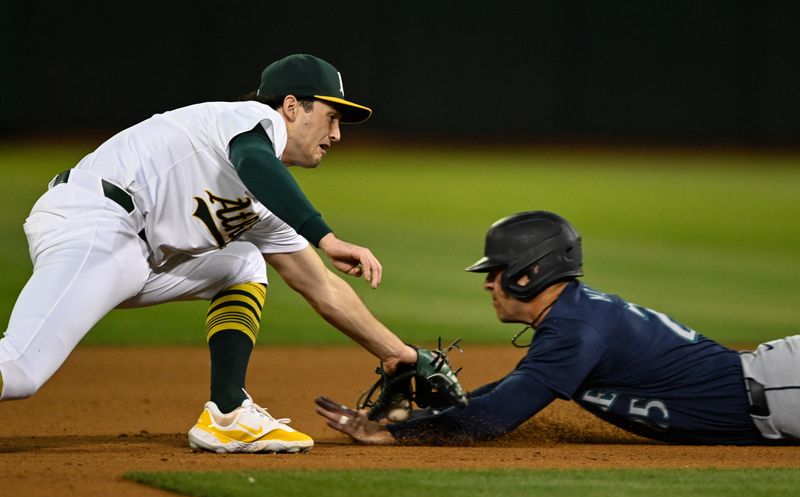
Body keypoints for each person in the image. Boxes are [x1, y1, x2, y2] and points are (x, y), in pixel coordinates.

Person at [0, 54, 456, 454]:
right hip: (95, 223)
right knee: (19, 371)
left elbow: (321, 287)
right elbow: (256, 160)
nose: (337, 134)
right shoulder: (246, 120)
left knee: (241, 263)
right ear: (292, 107)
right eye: (332, 117)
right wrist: (325, 236)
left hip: (130, 253)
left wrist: (399, 355)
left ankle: (227, 413)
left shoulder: (263, 203)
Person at [316, 210, 800, 446]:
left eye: (496, 271)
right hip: (776, 390)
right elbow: (502, 394)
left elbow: (496, 416)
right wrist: (408, 422)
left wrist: (397, 436)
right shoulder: (571, 321)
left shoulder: (576, 329)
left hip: (784, 388)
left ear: (531, 272)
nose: (488, 284)